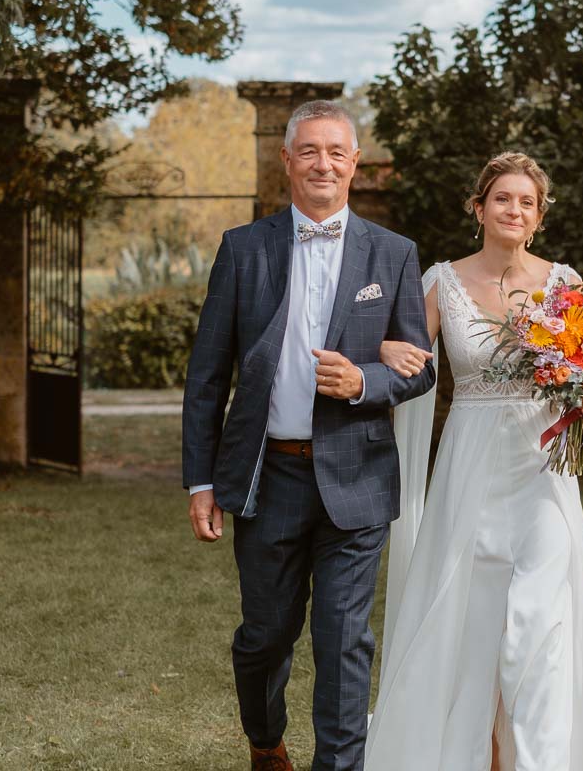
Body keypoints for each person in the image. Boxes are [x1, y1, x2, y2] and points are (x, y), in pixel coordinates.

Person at [182, 100, 436, 771]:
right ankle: (266, 741)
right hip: (271, 476)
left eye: (337, 152)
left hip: (358, 476)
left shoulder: (394, 253)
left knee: (345, 638)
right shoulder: (243, 248)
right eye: (311, 151)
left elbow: (417, 366)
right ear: (287, 161)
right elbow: (208, 374)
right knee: (265, 636)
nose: (324, 163)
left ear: (354, 164)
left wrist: (366, 383)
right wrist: (202, 480)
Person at [364, 152, 583, 771]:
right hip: (469, 463)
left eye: (527, 202)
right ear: (479, 207)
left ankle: (540, 760)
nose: (514, 210)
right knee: (470, 614)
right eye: (503, 199)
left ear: (539, 217)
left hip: (542, 468)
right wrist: (382, 348)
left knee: (541, 617)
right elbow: (411, 363)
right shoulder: (441, 282)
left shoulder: (566, 284)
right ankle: (476, 753)